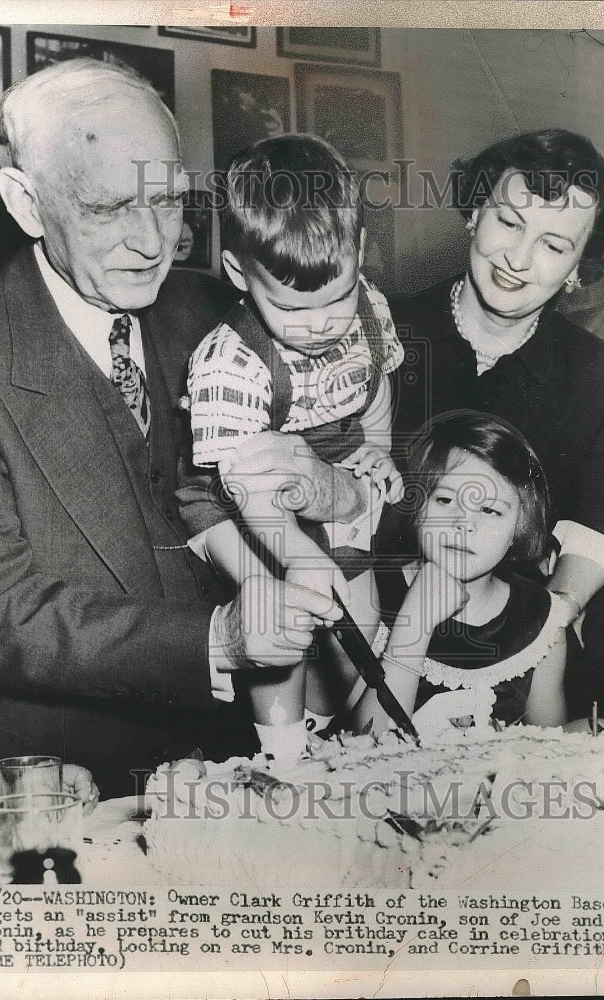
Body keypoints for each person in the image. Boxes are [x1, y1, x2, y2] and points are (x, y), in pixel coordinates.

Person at [0, 59, 355, 800]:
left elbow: (352, 464)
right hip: (64, 782)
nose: (151, 242)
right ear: (27, 204)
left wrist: (331, 486)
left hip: (251, 769)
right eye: (107, 208)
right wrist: (217, 640)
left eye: (167, 201)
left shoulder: (217, 314)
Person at [386, 128, 604, 719]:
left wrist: (534, 636)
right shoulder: (380, 332)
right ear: (475, 212)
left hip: (521, 671)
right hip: (375, 646)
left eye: (554, 246)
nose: (517, 260)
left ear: (579, 268)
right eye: (508, 221)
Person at [177, 135, 404, 761]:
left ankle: (350, 738)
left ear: (357, 252)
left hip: (327, 465)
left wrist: (378, 448)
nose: (319, 324)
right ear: (238, 275)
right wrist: (298, 555)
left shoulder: (368, 311)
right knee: (282, 612)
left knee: (359, 606)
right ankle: (282, 755)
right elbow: (253, 492)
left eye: (336, 296)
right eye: (290, 308)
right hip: (238, 492)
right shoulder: (228, 364)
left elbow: (374, 383)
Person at [351, 413, 569, 736]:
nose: (463, 524)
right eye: (445, 499)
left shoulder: (540, 621)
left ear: (519, 528)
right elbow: (362, 743)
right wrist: (417, 622)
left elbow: (552, 753)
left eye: (489, 509)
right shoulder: (372, 593)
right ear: (418, 505)